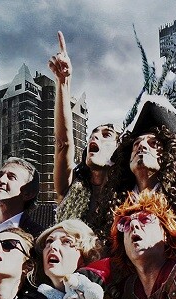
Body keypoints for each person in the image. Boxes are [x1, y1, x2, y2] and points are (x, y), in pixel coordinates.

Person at [93, 95, 176, 265]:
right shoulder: (111, 211)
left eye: (153, 144)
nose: (142, 146)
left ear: (169, 155)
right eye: (136, 144)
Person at [48, 31, 120, 224]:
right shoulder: (72, 184)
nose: (94, 138)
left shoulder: (128, 194)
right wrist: (63, 82)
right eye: (92, 135)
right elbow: (63, 144)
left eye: (106, 135)